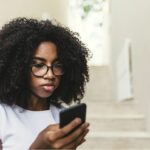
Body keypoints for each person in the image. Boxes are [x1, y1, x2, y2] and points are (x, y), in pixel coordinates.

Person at [0, 17, 90, 149]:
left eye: (57, 65)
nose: (50, 74)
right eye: (38, 64)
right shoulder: (3, 114)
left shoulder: (62, 116)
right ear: (18, 67)